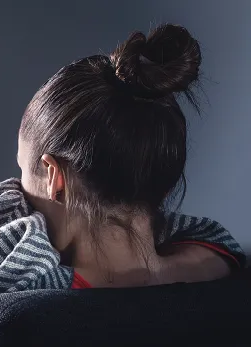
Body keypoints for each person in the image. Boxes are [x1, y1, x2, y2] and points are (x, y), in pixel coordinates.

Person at [16, 23, 242, 288]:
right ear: (165, 185)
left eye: (21, 169)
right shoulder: (220, 267)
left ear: (55, 178)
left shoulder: (18, 304)